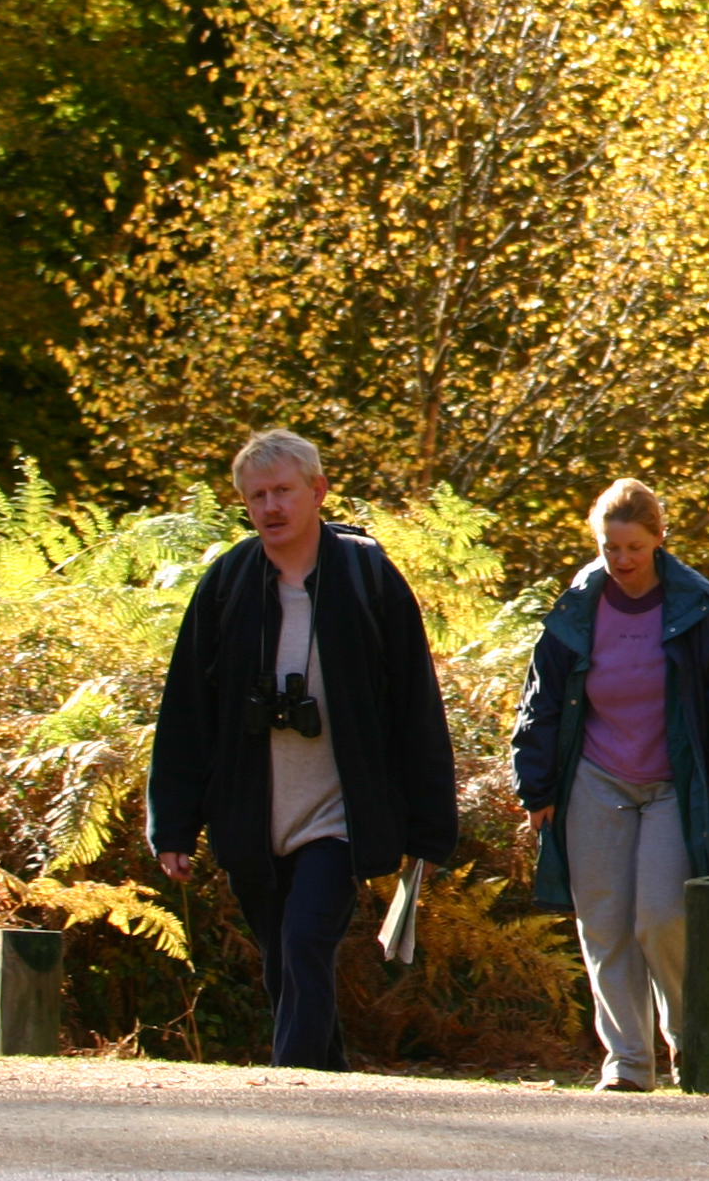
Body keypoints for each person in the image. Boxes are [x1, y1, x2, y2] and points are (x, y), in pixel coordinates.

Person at [148, 429, 460, 1071]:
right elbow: (187, 711)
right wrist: (173, 823)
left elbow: (414, 705)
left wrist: (430, 828)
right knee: (282, 964)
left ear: (317, 491)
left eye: (283, 491)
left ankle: (291, 1088)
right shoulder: (229, 583)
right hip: (251, 815)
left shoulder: (367, 578)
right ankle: (331, 1081)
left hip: (338, 814)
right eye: (256, 496)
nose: (270, 507)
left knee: (304, 943)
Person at [511, 478, 709, 1093]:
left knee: (661, 918)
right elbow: (540, 702)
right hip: (595, 781)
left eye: (633, 548)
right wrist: (536, 788)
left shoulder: (699, 610)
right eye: (609, 547)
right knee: (604, 924)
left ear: (658, 540)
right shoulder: (576, 609)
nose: (620, 560)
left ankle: (690, 1047)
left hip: (677, 785)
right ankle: (627, 1062)